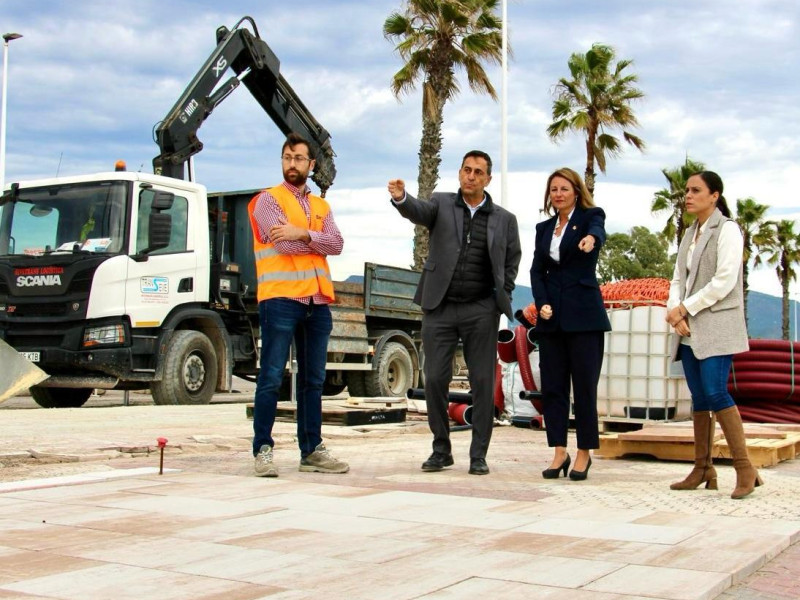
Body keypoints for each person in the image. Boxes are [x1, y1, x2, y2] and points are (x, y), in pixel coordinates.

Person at [388, 150, 521, 476]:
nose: (470, 176)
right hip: (440, 306)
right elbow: (417, 211)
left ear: (488, 179)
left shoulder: (505, 219)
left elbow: (512, 260)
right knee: (434, 378)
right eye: (466, 170)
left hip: (480, 309)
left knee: (482, 381)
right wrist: (402, 198)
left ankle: (478, 455)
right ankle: (441, 449)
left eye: (477, 172)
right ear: (460, 173)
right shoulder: (441, 203)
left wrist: (499, 296)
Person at [248, 132, 349, 477]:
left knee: (313, 380)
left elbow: (337, 244)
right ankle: (263, 450)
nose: (292, 164)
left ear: (311, 164)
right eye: (287, 157)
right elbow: (283, 247)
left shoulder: (321, 206)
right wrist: (308, 240)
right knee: (272, 376)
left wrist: (303, 234)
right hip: (280, 299)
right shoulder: (266, 201)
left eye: (299, 158)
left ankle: (312, 450)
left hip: (316, 302)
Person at [666, 170, 761, 499]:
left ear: (714, 195)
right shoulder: (690, 233)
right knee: (699, 398)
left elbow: (723, 281)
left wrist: (685, 308)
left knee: (716, 392)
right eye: (687, 190)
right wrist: (674, 310)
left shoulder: (728, 230)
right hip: (689, 327)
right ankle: (703, 468)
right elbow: (678, 277)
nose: (688, 196)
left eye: (696, 190)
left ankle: (745, 467)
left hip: (717, 325)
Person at [530, 167, 610, 481]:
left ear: (576, 191)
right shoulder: (543, 228)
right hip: (552, 320)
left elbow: (597, 231)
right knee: (553, 388)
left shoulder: (591, 216)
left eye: (564, 188)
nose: (558, 194)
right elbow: (537, 271)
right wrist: (542, 303)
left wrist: (591, 239)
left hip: (585, 317)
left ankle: (584, 453)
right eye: (554, 190)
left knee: (584, 388)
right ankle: (559, 450)